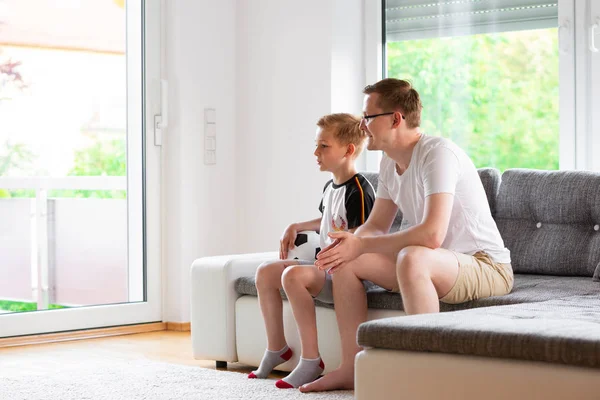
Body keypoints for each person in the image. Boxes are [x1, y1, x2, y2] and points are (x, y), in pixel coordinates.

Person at [300, 79, 513, 392]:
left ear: (395, 119)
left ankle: (427, 379)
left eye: (367, 118)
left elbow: (431, 235)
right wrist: (347, 244)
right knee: (347, 262)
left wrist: (363, 243)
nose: (362, 126)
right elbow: (375, 226)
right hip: (433, 265)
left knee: (413, 256)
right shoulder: (389, 163)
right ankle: (350, 368)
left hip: (484, 265)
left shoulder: (437, 154)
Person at [248, 113, 375, 389]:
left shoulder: (360, 189)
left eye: (323, 146)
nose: (315, 152)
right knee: (265, 272)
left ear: (348, 150)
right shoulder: (331, 187)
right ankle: (277, 348)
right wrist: (296, 225)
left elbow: (366, 233)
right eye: (316, 145)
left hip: (345, 275)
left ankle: (310, 360)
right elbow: (327, 219)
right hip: (325, 268)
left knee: (292, 276)